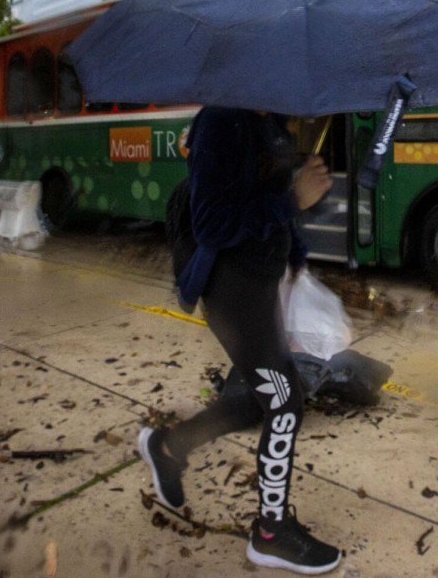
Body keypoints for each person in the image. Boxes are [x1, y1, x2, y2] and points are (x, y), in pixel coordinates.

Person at [138, 106, 341, 575]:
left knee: (260, 398)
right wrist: (293, 200)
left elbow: (269, 197)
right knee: (285, 403)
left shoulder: (269, 120)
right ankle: (270, 534)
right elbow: (212, 225)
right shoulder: (221, 122)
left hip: (263, 280)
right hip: (233, 288)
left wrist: (297, 254)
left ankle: (168, 448)